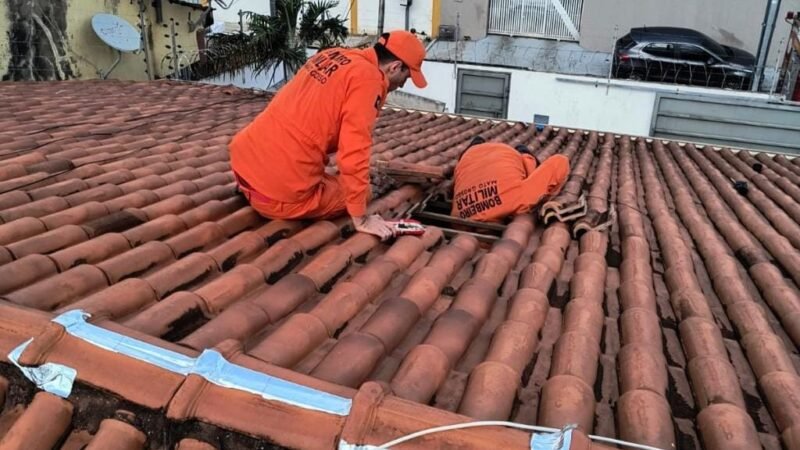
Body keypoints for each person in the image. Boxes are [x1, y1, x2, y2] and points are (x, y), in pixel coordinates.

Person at [229, 30, 428, 240]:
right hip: (277, 194)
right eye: (406, 77)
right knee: (363, 192)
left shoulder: (333, 55)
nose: (403, 85)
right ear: (394, 67)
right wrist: (361, 218)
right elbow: (354, 153)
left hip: (244, 163)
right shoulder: (369, 79)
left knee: (333, 179)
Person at [451, 136, 570, 222]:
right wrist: (547, 198)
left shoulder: (464, 160)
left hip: (460, 213)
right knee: (560, 160)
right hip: (502, 204)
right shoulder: (520, 159)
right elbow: (559, 162)